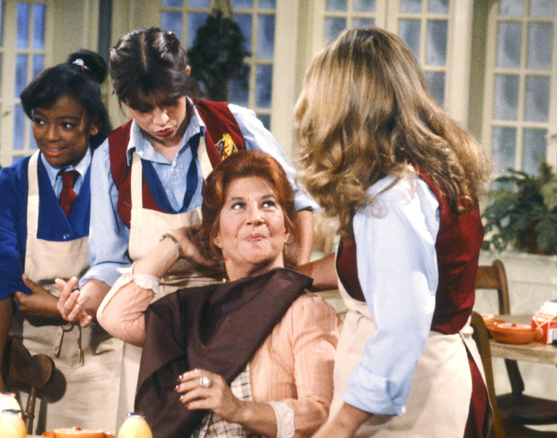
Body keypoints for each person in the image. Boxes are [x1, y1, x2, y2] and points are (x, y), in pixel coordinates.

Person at [294, 27, 491, 437]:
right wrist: (292, 277)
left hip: (416, 405)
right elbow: (380, 267)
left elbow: (402, 327)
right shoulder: (427, 173)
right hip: (434, 383)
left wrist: (339, 425)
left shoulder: (393, 198)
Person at [60, 26, 319, 329]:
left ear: (185, 76)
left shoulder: (234, 126)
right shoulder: (110, 156)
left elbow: (298, 205)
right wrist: (84, 300)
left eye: (171, 101)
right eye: (143, 109)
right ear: (124, 100)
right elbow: (109, 263)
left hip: (240, 311)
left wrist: (290, 283)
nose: (161, 120)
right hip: (151, 323)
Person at [96, 150, 339, 438]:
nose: (255, 218)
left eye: (268, 204)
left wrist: (238, 409)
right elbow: (115, 317)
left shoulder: (305, 310)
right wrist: (175, 243)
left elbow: (320, 414)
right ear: (216, 235)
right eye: (238, 206)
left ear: (287, 229)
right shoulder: (199, 311)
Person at [0, 50, 123, 433]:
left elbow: (130, 271)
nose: (50, 136)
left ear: (93, 124)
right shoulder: (11, 185)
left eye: (66, 125)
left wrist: (55, 306)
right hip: (29, 361)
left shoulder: (118, 181)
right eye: (40, 121)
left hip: (105, 359)